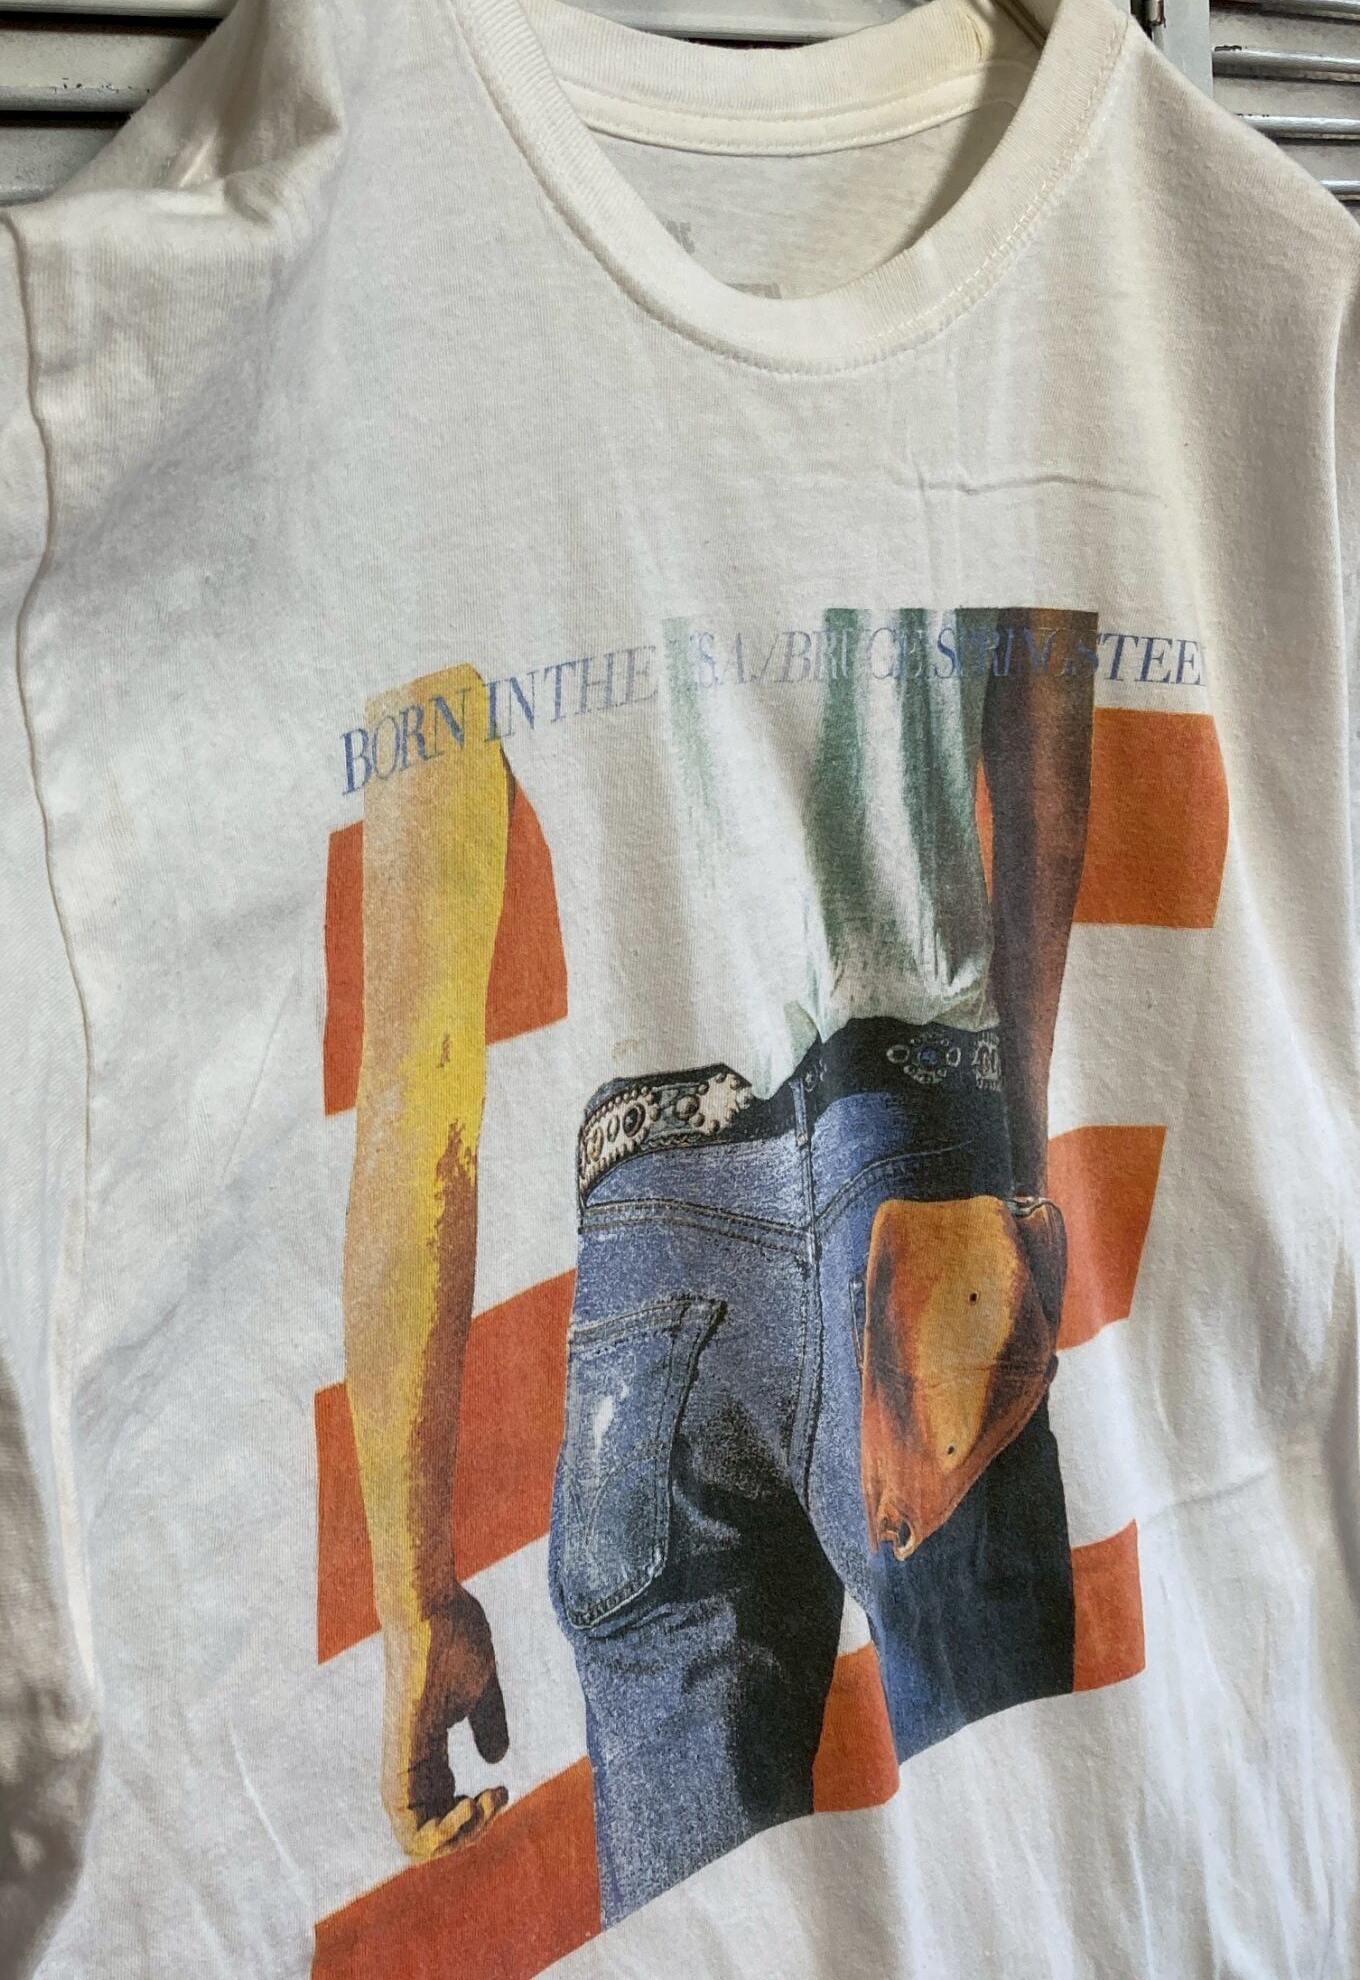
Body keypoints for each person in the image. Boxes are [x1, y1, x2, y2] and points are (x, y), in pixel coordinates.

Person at [342, 610, 1096, 1919]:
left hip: (646, 1277)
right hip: (917, 1173)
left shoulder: (424, 553)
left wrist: (415, 1599)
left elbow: (416, 1082)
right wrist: (1015, 1174)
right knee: (1030, 1904)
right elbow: (1045, 755)